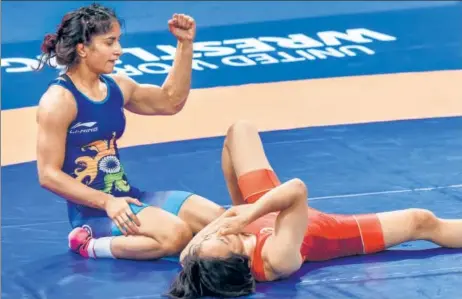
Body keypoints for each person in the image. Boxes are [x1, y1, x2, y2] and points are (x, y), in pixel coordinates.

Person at [166, 120, 462, 298]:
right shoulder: (276, 259)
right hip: (322, 228)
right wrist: (246, 214)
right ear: (237, 260)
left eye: (207, 239)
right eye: (222, 239)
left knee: (238, 132)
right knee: (421, 221)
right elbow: (297, 190)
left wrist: (237, 213)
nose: (216, 234)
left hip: (263, 205)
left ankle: (247, 204)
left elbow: (185, 255)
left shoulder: (203, 258)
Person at [35, 3, 224, 261]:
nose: (119, 51)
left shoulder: (117, 86)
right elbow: (48, 175)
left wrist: (185, 45)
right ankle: (88, 244)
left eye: (118, 41)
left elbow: (169, 101)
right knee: (175, 235)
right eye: (110, 42)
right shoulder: (58, 101)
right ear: (83, 49)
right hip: (94, 212)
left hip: (129, 197)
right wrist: (106, 202)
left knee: (219, 220)